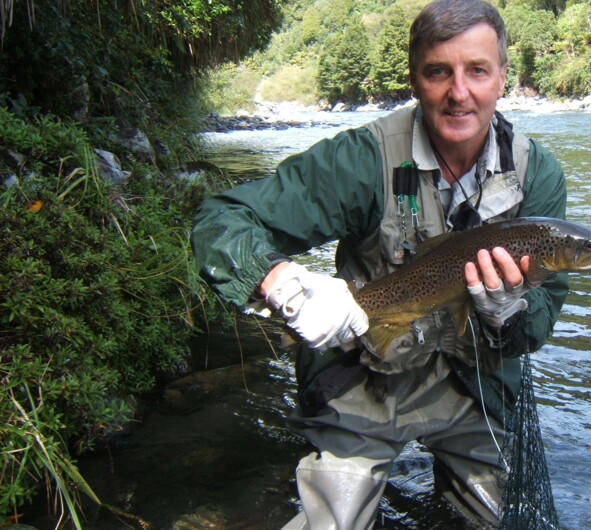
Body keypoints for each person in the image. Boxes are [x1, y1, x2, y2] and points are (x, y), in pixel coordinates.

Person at [191, 0, 568, 527]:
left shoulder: (537, 174)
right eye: (439, 72)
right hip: (361, 375)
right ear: (414, 80)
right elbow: (222, 219)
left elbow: (541, 316)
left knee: (501, 519)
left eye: (477, 70)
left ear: (503, 78)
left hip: (473, 384)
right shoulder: (362, 159)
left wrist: (510, 316)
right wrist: (284, 284)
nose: (459, 92)